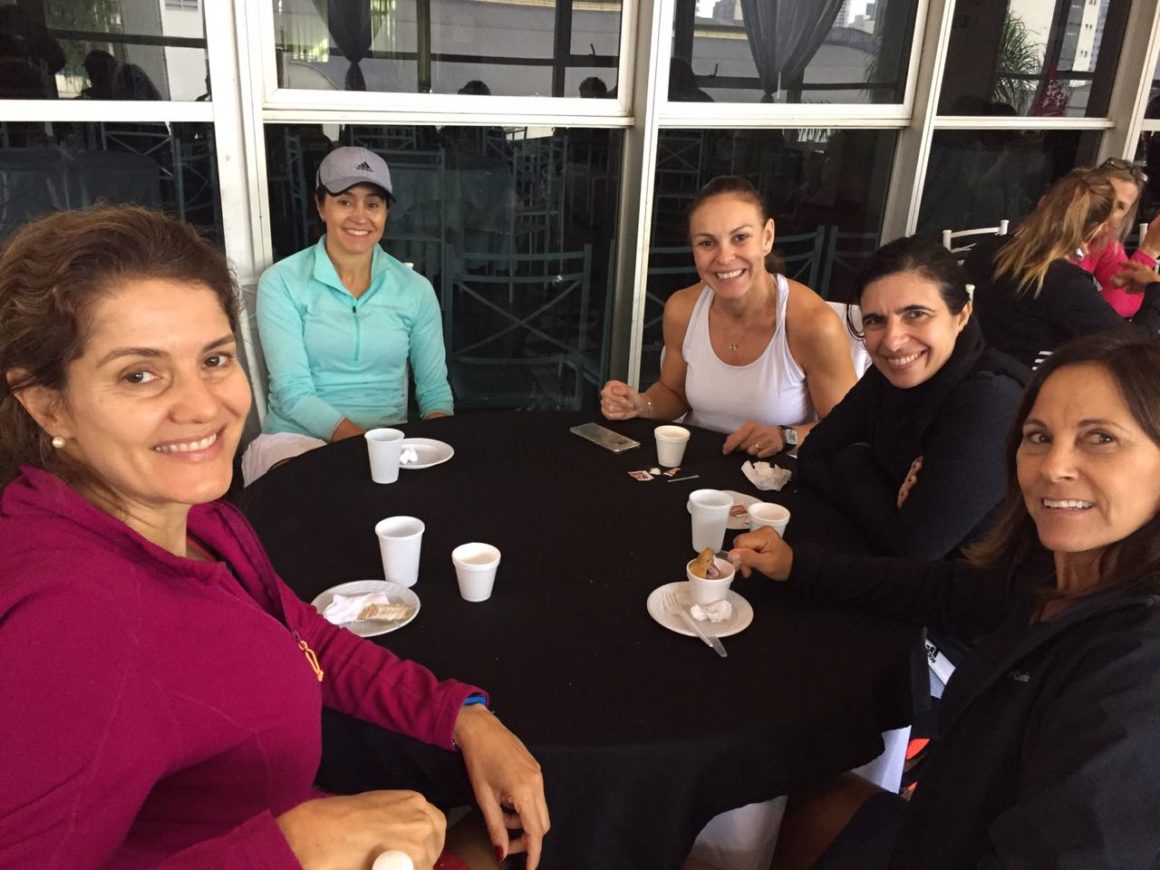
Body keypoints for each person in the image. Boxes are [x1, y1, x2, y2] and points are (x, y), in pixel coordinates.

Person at [0, 206, 548, 869]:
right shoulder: (65, 618)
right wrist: (292, 848)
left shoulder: (197, 520)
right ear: (46, 403)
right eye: (139, 374)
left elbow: (302, 634)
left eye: (214, 359)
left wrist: (460, 715)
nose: (203, 406)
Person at [732, 330, 1160, 869]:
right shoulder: (1053, 577)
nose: (1054, 467)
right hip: (935, 829)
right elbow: (939, 588)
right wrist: (799, 565)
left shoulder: (1138, 669)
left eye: (1100, 438)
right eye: (1038, 436)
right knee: (770, 802)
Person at [798, 236, 1029, 560]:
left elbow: (916, 547)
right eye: (876, 320)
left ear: (962, 315)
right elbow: (812, 456)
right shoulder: (890, 374)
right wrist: (883, 489)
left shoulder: (991, 400)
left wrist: (852, 459)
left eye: (916, 314)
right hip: (882, 568)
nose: (892, 341)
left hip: (971, 585)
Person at [601, 175, 857, 457]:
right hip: (696, 465)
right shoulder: (682, 309)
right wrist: (641, 404)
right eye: (707, 243)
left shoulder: (814, 323)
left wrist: (786, 435)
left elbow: (848, 429)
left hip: (779, 475)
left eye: (740, 238)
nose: (724, 257)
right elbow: (674, 393)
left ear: (767, 237)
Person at [248, 145, 453, 483]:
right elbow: (293, 392)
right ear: (320, 206)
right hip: (295, 440)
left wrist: (439, 448)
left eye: (373, 204)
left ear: (385, 212)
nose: (361, 216)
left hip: (389, 441)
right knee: (310, 500)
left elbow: (434, 392)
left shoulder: (415, 290)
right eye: (345, 201)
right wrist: (365, 446)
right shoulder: (282, 281)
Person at [965, 168, 1160, 370]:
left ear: (1043, 203)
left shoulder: (986, 248)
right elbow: (1134, 349)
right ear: (1098, 228)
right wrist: (1156, 288)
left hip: (967, 373)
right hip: (1018, 382)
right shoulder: (1063, 282)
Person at [1082, 157, 1160, 317]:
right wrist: (1149, 250)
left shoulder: (1101, 241)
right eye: (1106, 198)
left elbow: (1129, 296)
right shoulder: (1055, 241)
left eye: (1119, 206)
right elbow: (1096, 316)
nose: (1107, 209)